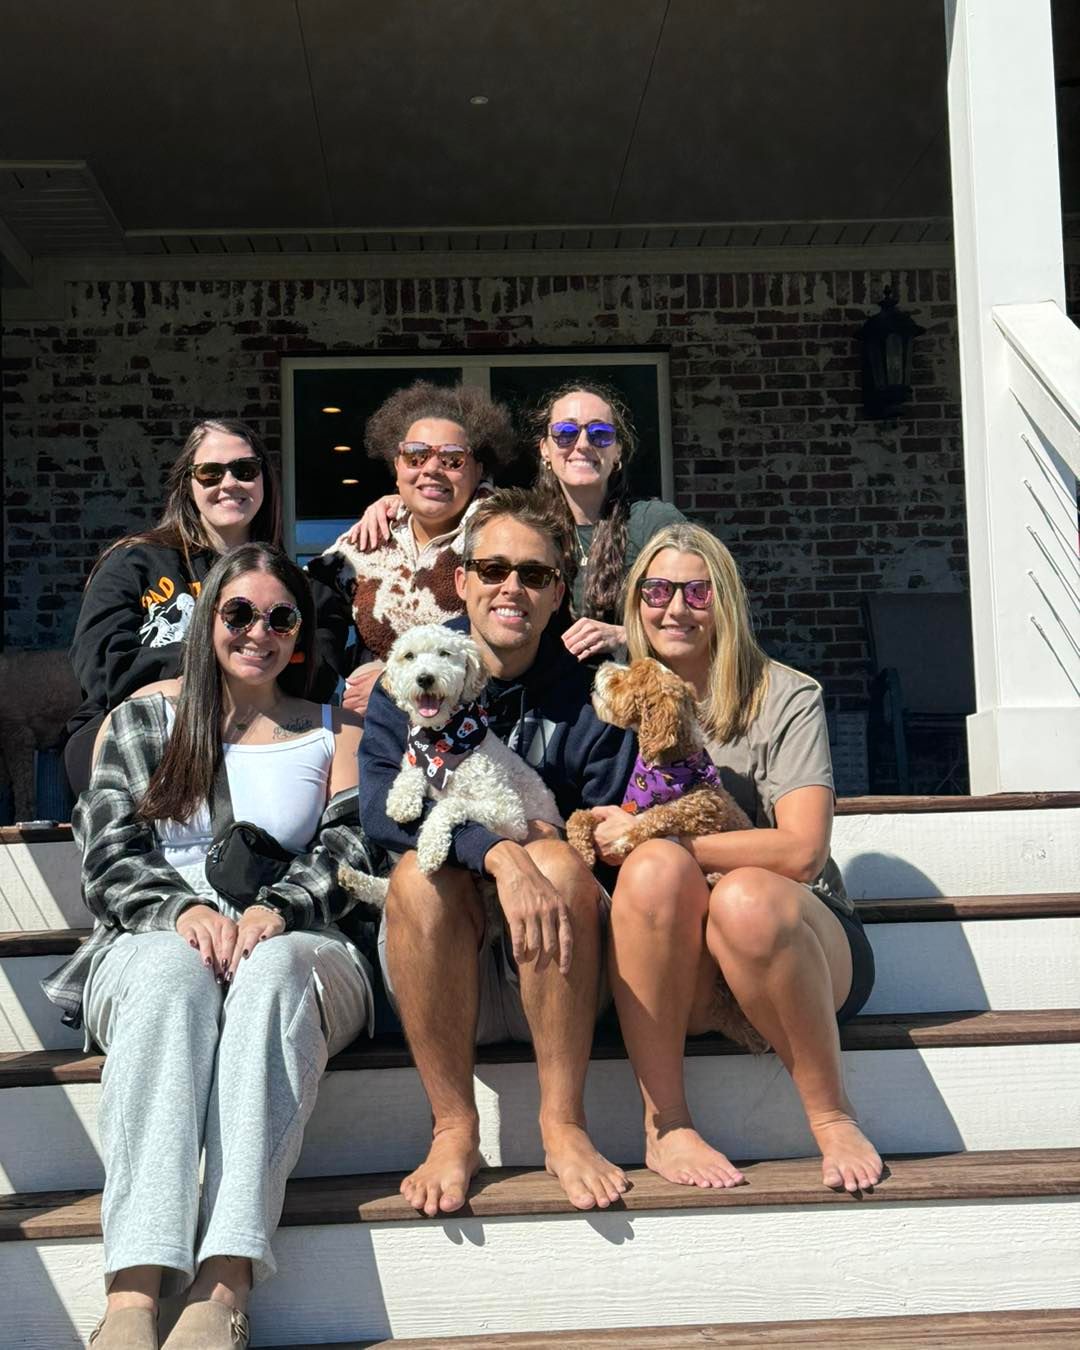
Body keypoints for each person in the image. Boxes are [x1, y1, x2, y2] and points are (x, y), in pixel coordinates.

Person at [42, 544, 382, 1350]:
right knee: (172, 973)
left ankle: (224, 1281)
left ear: (299, 635)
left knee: (272, 969)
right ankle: (134, 1291)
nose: (259, 631)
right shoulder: (143, 721)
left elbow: (351, 851)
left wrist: (277, 909)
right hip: (154, 937)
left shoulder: (333, 729)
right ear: (206, 622)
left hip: (302, 943)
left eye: (281, 617)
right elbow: (108, 853)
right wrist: (182, 909)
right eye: (238, 613)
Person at [359, 487, 637, 1215]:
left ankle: (563, 1124)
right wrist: (495, 853)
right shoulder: (414, 668)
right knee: (419, 877)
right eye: (493, 569)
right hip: (441, 959)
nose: (512, 587)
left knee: (558, 861)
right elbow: (382, 811)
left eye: (535, 575)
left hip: (561, 960)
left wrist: (551, 845)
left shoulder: (591, 692)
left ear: (558, 595)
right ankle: (454, 1128)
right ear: (462, 580)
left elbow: (611, 826)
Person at [596, 523, 881, 1196]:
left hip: (796, 945)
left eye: (697, 592)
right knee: (655, 870)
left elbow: (803, 850)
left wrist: (660, 837)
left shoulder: (784, 695)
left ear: (724, 602)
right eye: (657, 591)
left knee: (741, 895)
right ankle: (667, 1124)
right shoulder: (612, 698)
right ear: (635, 603)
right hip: (678, 961)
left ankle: (832, 1114)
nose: (675, 608)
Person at [63, 419, 351, 795]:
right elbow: (103, 668)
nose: (229, 483)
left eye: (245, 470)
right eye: (210, 473)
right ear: (188, 483)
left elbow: (316, 675)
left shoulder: (300, 589)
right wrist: (218, 664)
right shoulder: (134, 562)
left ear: (264, 480)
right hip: (142, 733)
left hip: (257, 739)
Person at [308, 380, 518, 718]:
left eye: (452, 459)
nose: (431, 469)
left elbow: (515, 636)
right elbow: (309, 614)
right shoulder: (366, 542)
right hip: (375, 733)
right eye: (416, 456)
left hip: (475, 729)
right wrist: (334, 681)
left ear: (478, 470)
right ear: (397, 467)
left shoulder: (501, 540)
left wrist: (392, 683)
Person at [530, 380, 686, 662]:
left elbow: (707, 614)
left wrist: (625, 636)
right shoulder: (526, 527)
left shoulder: (654, 524)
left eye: (600, 434)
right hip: (547, 688)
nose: (582, 444)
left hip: (637, 684)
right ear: (545, 449)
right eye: (565, 433)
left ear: (617, 452)